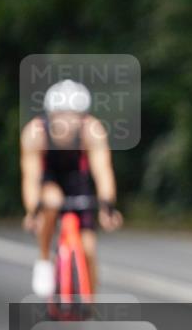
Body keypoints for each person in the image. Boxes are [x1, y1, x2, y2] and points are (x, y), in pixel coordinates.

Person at [21, 79, 123, 296]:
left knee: (89, 249)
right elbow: (30, 178)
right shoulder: (34, 133)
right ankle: (43, 259)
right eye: (61, 116)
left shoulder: (93, 130)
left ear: (82, 117)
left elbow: (103, 171)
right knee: (52, 200)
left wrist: (107, 207)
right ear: (50, 115)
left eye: (73, 116)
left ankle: (90, 302)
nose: (67, 122)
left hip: (78, 180)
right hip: (49, 179)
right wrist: (32, 211)